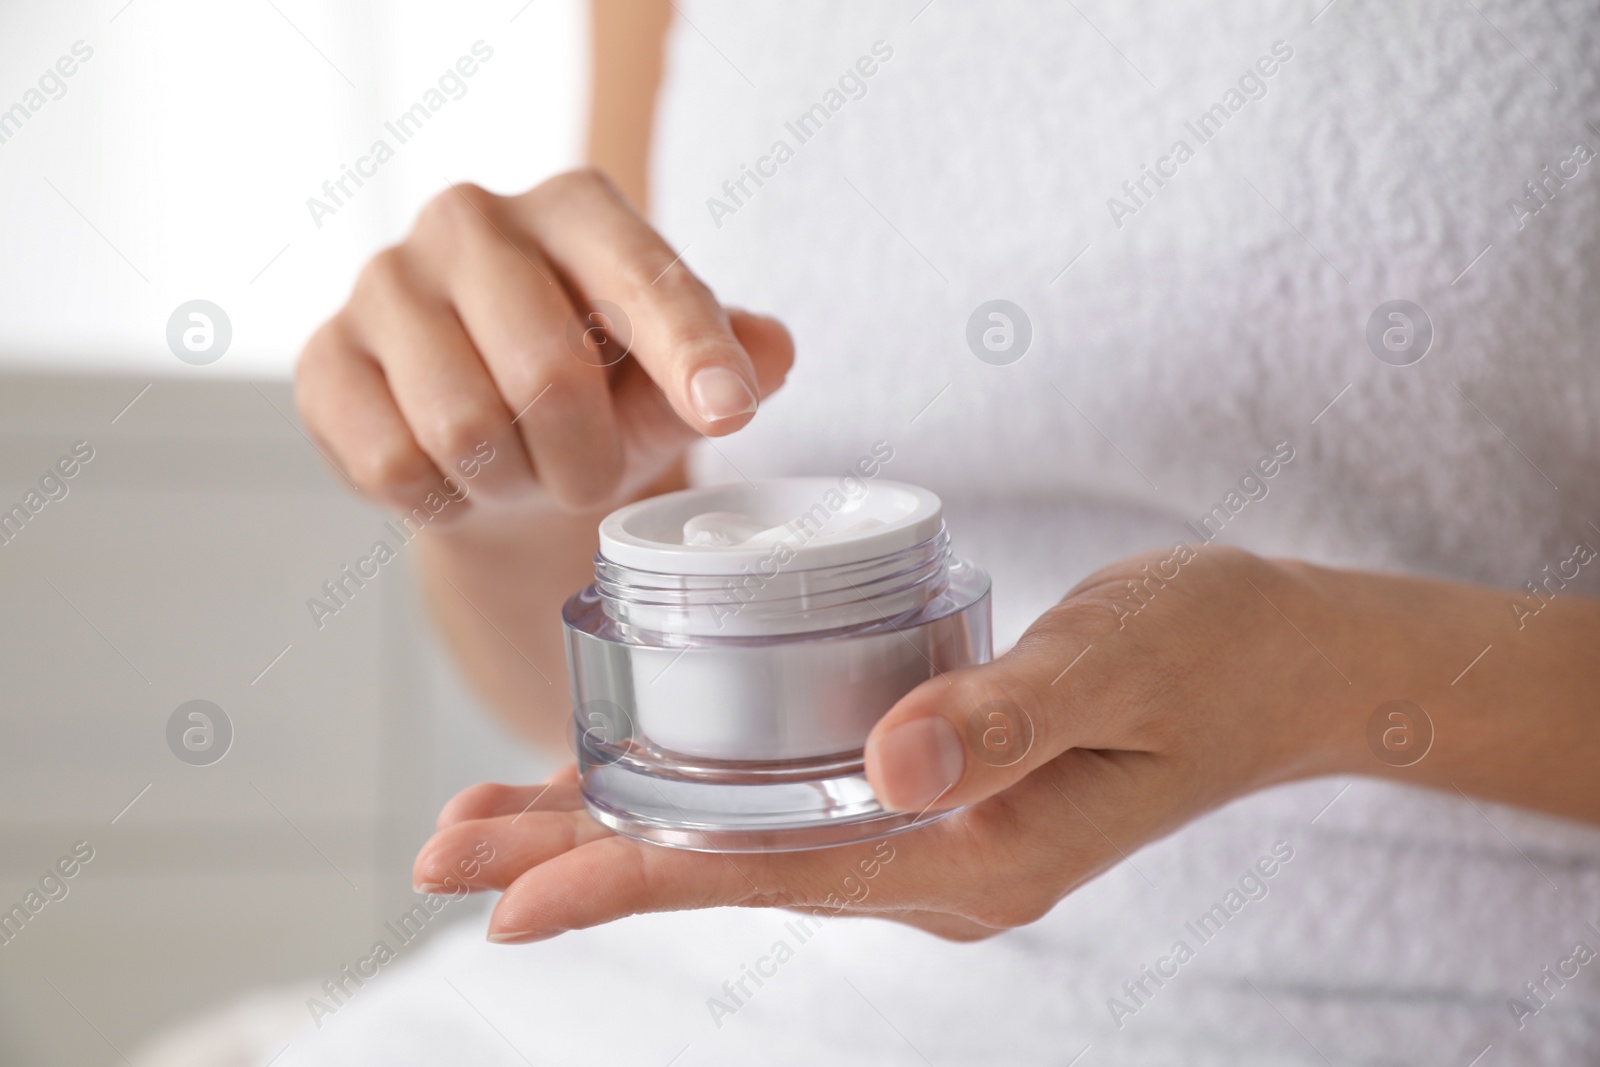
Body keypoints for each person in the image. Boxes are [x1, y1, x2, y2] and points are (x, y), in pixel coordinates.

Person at [279, 2, 1600, 1063]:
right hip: (705, 967)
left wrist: (1330, 670)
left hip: (1449, 990)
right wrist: (497, 476)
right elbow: (561, 659)